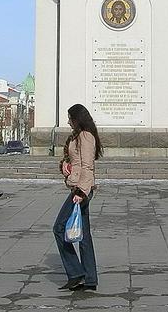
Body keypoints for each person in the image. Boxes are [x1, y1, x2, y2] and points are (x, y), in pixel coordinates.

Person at [53, 104, 103, 291]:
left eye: (70, 118)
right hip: (77, 186)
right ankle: (89, 279)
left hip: (80, 190)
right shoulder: (77, 136)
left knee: (58, 228)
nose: (68, 121)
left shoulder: (86, 136)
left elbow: (88, 166)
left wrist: (81, 192)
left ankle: (76, 273)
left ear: (78, 118)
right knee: (83, 236)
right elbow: (75, 161)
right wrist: (65, 165)